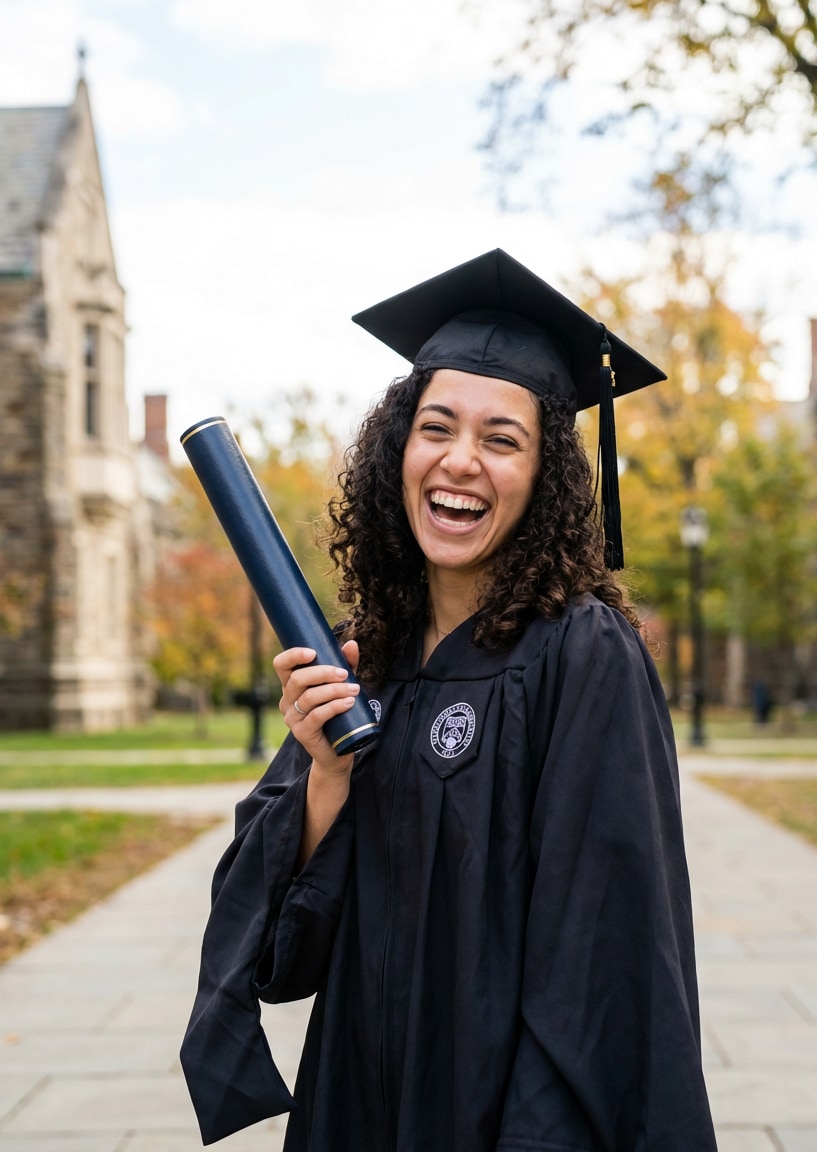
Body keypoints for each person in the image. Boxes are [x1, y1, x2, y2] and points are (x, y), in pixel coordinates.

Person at [181, 249, 718, 1151]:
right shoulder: (363, 658)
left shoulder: (582, 654)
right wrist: (323, 780)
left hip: (500, 1114)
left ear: (544, 474)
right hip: (353, 1099)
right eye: (437, 427)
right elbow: (281, 960)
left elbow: (603, 964)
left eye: (501, 439)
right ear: (401, 448)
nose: (460, 460)